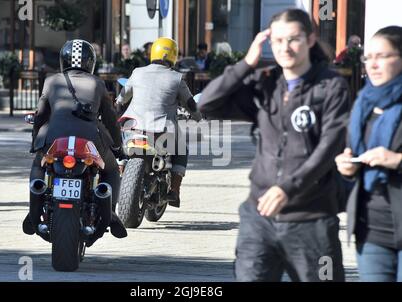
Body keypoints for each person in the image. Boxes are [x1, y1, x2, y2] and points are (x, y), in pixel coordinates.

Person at [198, 9, 350, 281]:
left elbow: (329, 147)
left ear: (310, 40)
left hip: (312, 220)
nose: (285, 48)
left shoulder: (331, 86)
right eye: (278, 41)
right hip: (259, 220)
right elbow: (207, 103)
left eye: (293, 39)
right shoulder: (266, 83)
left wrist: (287, 189)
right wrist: (246, 63)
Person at [22, 39, 127, 240]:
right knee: (112, 168)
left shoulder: (51, 81)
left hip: (54, 138)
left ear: (63, 60)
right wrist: (117, 147)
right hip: (90, 139)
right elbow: (111, 120)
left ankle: (34, 207)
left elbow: (41, 115)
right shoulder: (97, 83)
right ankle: (110, 211)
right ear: (90, 62)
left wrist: (35, 142)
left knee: (39, 164)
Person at [335, 26, 402, 282]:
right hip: (371, 227)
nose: (372, 65)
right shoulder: (362, 103)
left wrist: (397, 161)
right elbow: (354, 153)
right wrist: (347, 167)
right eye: (368, 57)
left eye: (382, 56)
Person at [116, 37, 202, 207]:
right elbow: (191, 104)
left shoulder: (137, 72)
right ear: (173, 56)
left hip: (132, 127)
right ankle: (174, 191)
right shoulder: (177, 78)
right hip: (162, 131)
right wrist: (199, 116)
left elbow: (120, 100)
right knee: (181, 148)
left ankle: (121, 175)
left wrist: (116, 110)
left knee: (121, 151)